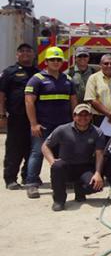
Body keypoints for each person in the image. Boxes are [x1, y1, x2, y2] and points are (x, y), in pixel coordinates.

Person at [24, 46, 77, 199]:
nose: (55, 62)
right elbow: (29, 102)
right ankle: (32, 183)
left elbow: (73, 101)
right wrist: (34, 124)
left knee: (63, 153)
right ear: (46, 61)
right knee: (37, 153)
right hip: (43, 125)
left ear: (62, 62)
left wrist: (74, 121)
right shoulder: (36, 79)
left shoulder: (67, 80)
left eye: (58, 59)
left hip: (63, 125)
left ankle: (64, 180)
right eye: (52, 59)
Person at [41, 104, 105, 211]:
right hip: (66, 166)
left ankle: (80, 189)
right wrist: (52, 161)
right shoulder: (62, 129)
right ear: (74, 116)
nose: (83, 118)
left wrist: (98, 173)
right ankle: (59, 200)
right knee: (57, 167)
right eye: (80, 115)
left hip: (85, 166)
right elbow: (45, 146)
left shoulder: (97, 132)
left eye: (86, 115)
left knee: (96, 185)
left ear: (91, 117)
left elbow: (100, 154)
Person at [0, 43, 38, 189]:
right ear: (17, 55)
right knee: (14, 148)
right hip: (16, 117)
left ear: (33, 54)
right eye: (22, 51)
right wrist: (2, 114)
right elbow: (1, 94)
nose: (25, 53)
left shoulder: (38, 72)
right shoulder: (9, 72)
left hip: (34, 117)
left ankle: (27, 176)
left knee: (32, 148)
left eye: (28, 51)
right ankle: (10, 179)